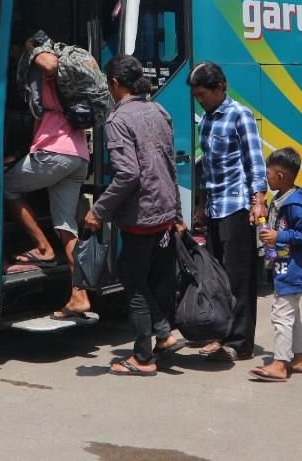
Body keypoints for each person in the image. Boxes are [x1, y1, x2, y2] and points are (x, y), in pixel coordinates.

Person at [83, 55, 187, 375]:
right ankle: (159, 341)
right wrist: (178, 212)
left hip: (141, 216)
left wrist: (98, 211)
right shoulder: (159, 110)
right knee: (157, 282)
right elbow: (170, 164)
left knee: (135, 284)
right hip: (165, 213)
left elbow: (127, 174)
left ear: (115, 83)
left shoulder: (118, 120)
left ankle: (146, 355)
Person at [4, 28, 93, 320]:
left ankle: (42, 248)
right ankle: (79, 295)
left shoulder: (45, 69)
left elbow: (47, 66)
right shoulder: (68, 79)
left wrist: (31, 47)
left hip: (55, 153)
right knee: (67, 228)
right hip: (78, 155)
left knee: (5, 186)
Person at [188, 61, 266, 362]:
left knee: (238, 277)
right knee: (216, 276)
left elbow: (254, 160)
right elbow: (207, 168)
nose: (200, 100)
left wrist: (258, 200)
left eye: (203, 94)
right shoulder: (205, 120)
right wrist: (201, 205)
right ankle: (217, 334)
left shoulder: (239, 115)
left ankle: (240, 341)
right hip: (215, 207)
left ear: (220, 88)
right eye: (196, 96)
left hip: (237, 207)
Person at [250, 148, 302, 383]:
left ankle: (280, 363)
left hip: (294, 269)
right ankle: (300, 359)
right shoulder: (281, 199)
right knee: (292, 316)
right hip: (285, 267)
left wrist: (279, 236)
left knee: (281, 315)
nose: (266, 179)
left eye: (268, 174)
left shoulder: (294, 204)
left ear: (280, 176)